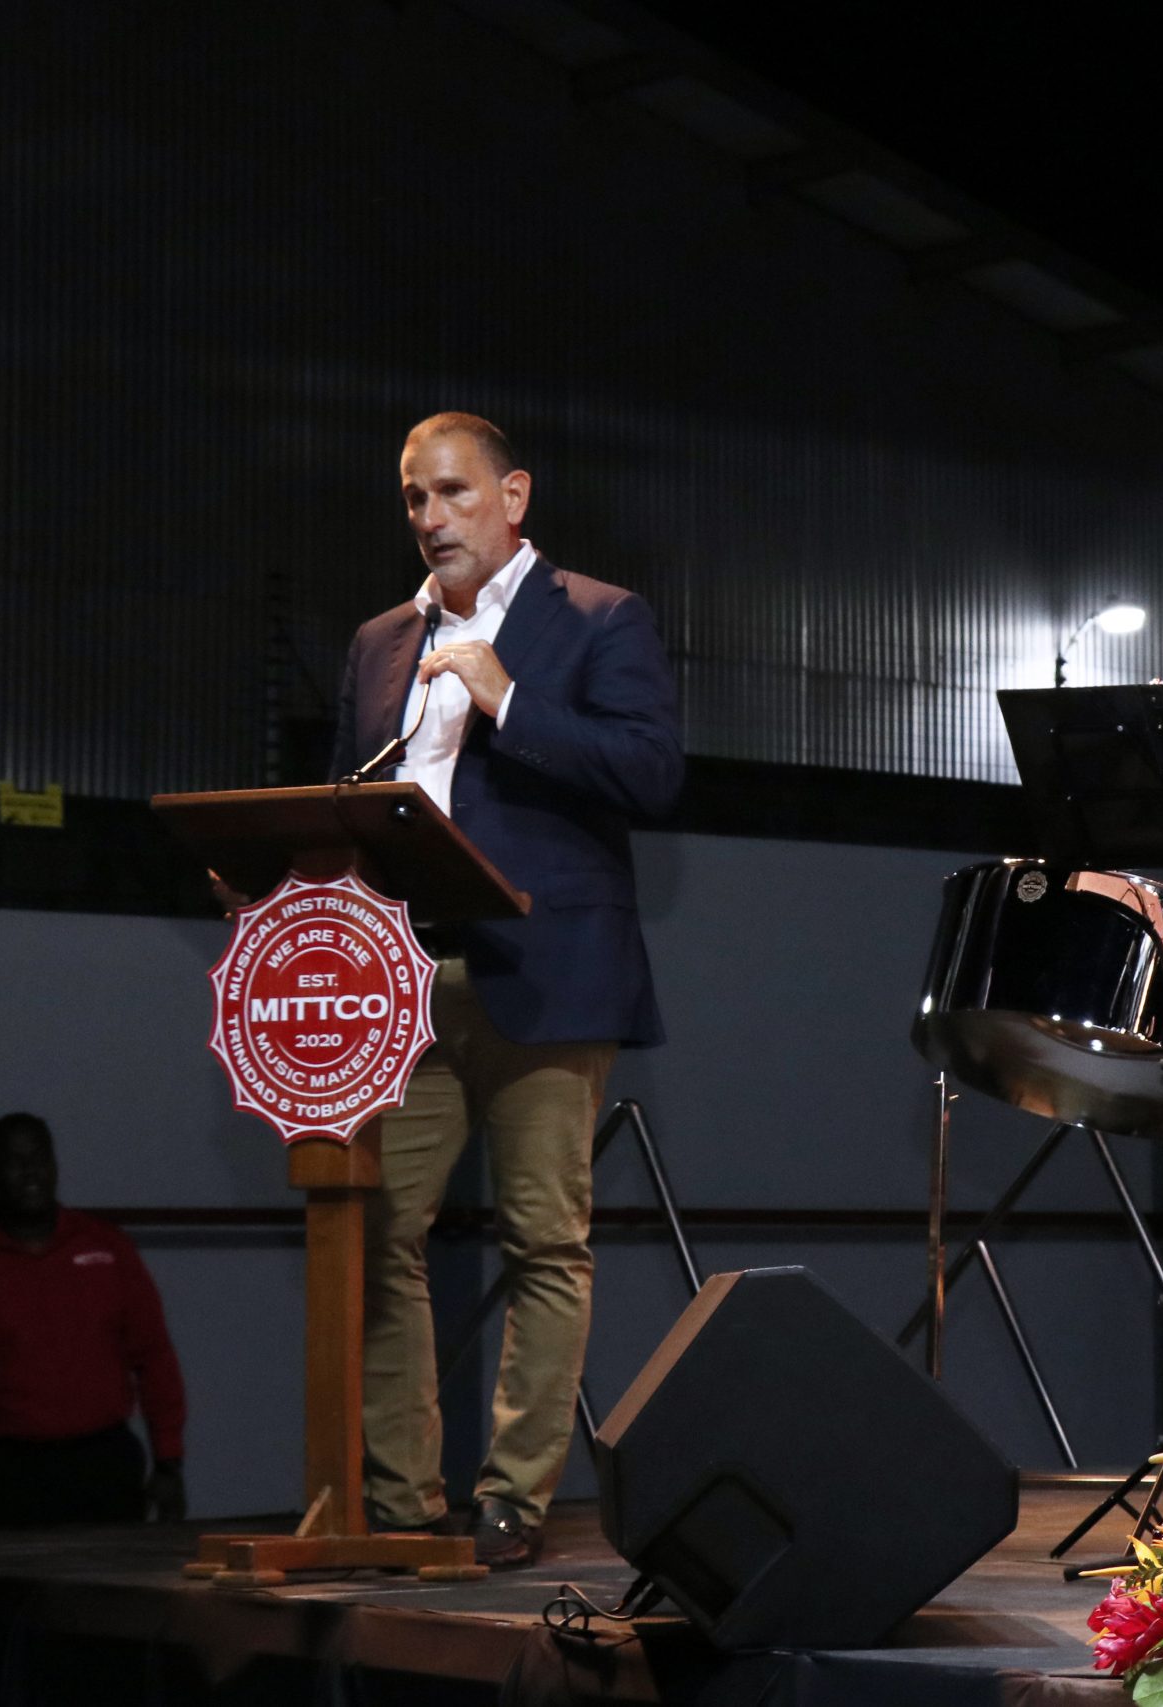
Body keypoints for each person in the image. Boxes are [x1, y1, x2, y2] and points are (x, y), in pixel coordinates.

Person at [332, 412, 682, 1569]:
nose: (431, 517)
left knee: (543, 1240)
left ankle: (511, 1502)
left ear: (514, 495)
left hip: (547, 970)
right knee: (378, 1232)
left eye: (453, 492)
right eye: (413, 498)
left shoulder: (598, 617)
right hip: (403, 976)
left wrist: (510, 700)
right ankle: (402, 1502)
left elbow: (651, 774)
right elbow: (348, 801)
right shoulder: (380, 640)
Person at [0, 1113, 187, 1529]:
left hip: (104, 1467)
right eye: (14, 1161)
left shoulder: (108, 1248)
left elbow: (155, 1359)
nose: (30, 1171)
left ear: (55, 1164)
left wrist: (169, 1462)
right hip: (3, 1474)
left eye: (39, 1158)